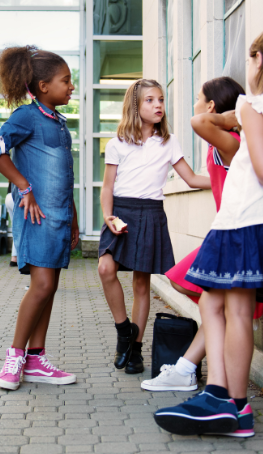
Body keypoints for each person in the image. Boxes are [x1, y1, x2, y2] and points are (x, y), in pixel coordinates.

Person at [154, 26, 263, 437]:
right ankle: (227, 402)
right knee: (219, 304)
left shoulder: (256, 105)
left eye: (250, 59)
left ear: (260, 60)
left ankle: (229, 402)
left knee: (227, 308)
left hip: (245, 218)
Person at [141, 77, 263, 395]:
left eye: (199, 98)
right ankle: (187, 369)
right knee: (192, 288)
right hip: (226, 232)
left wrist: (233, 114)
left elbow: (199, 121)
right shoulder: (220, 147)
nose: (195, 104)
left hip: (236, 233)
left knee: (188, 282)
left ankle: (194, 374)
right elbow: (208, 182)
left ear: (212, 107)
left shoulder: (230, 141)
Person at [98, 79, 211, 375]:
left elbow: (192, 179)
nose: (158, 104)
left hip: (150, 213)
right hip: (121, 212)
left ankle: (134, 349)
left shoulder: (169, 142)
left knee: (141, 283)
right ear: (135, 106)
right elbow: (107, 187)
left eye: (160, 99)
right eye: (150, 100)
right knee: (105, 269)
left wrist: (229, 178)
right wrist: (108, 216)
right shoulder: (117, 143)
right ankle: (124, 330)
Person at [0, 45, 79, 391]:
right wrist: (24, 186)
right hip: (36, 217)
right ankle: (15, 356)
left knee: (50, 287)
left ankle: (36, 359)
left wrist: (73, 218)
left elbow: (63, 175)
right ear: (43, 87)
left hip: (58, 218)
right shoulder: (27, 117)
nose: (71, 87)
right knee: (41, 286)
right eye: (65, 81)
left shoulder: (59, 121)